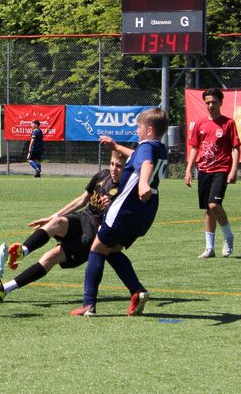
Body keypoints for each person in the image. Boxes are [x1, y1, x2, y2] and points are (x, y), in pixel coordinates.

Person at [0, 150, 126, 303]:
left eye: (119, 166)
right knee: (57, 222)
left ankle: (4, 290)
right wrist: (52, 217)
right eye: (112, 164)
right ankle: (23, 251)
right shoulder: (102, 175)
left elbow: (124, 222)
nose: (113, 169)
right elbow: (81, 200)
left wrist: (111, 207)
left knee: (50, 257)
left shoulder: (126, 191)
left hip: (93, 234)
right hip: (82, 218)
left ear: (127, 168)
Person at [70, 108, 169, 317]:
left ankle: (88, 305)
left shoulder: (146, 147)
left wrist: (143, 183)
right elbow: (138, 156)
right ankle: (137, 291)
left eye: (139, 127)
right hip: (145, 213)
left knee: (97, 249)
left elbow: (146, 162)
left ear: (149, 130)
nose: (136, 130)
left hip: (124, 210)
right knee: (112, 250)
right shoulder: (160, 148)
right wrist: (116, 146)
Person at [185, 88, 241, 258]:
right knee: (209, 210)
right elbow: (195, 148)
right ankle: (210, 248)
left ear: (220, 102)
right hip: (203, 170)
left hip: (221, 169)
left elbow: (235, 148)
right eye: (207, 102)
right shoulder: (200, 123)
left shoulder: (228, 123)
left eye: (214, 102)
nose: (210, 105)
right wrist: (188, 169)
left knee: (214, 204)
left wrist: (233, 170)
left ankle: (228, 236)